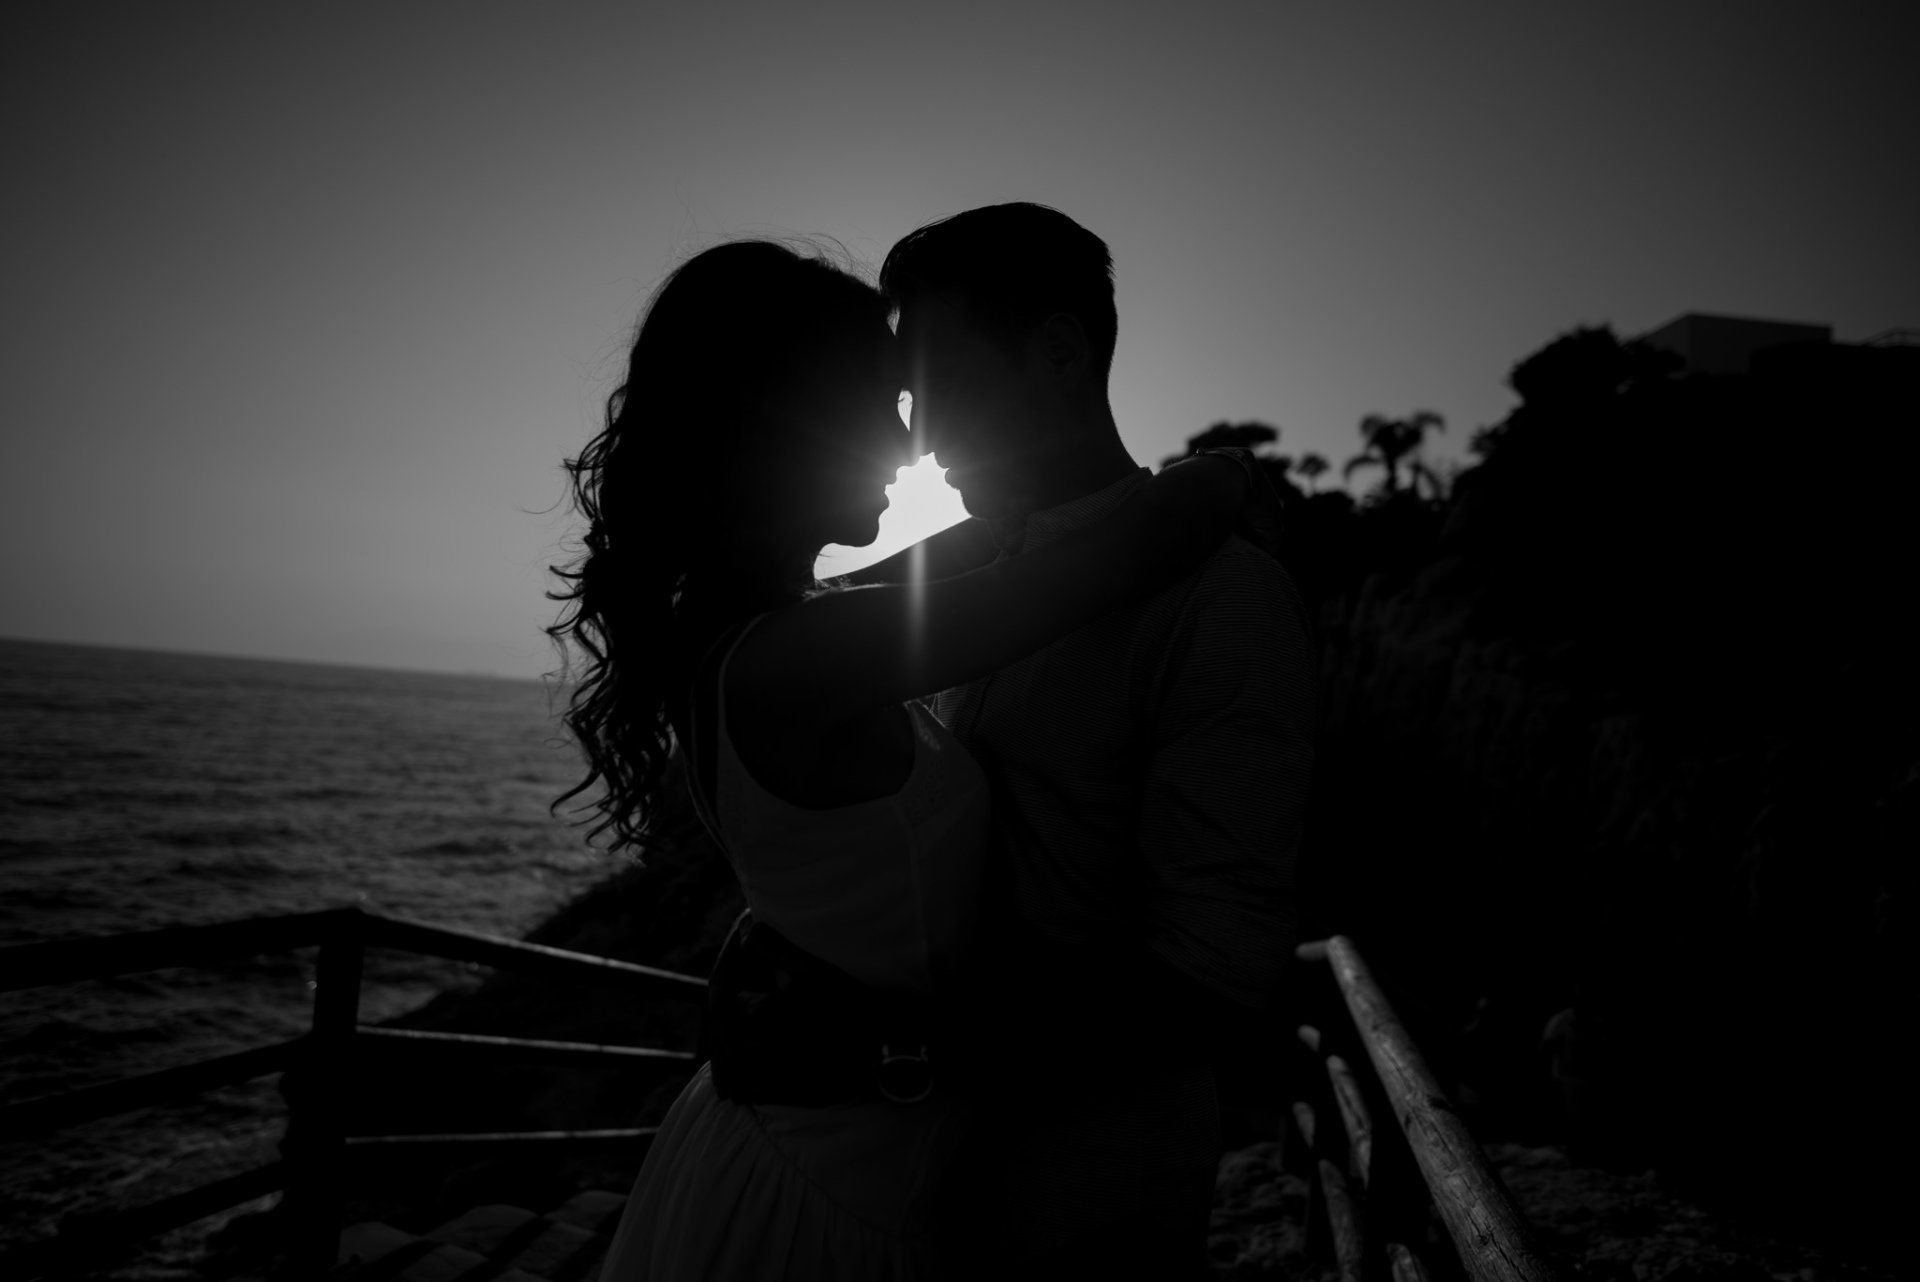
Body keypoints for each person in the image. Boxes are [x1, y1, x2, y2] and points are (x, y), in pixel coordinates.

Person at [546, 239, 1260, 1280]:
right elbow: (1120, 552)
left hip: (831, 1157)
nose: (908, 443)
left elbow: (983, 556)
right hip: (823, 1191)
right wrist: (1224, 472)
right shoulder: (810, 655)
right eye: (880, 405)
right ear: (778, 423)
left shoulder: (769, 630)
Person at [875, 202, 1318, 1278]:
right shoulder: (959, 585)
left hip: (1088, 1201)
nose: (920, 437)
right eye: (908, 399)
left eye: (943, 385)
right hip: (916, 1182)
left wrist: (889, 1045)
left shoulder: (1221, 599)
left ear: (1062, 352)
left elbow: (1213, 971)